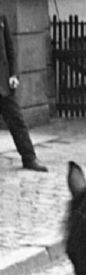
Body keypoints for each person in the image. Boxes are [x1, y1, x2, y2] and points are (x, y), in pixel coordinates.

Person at [0, 12, 47, 171]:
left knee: (17, 121)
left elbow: (9, 49)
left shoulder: (1, 17)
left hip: (3, 84)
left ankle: (29, 158)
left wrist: (14, 74)